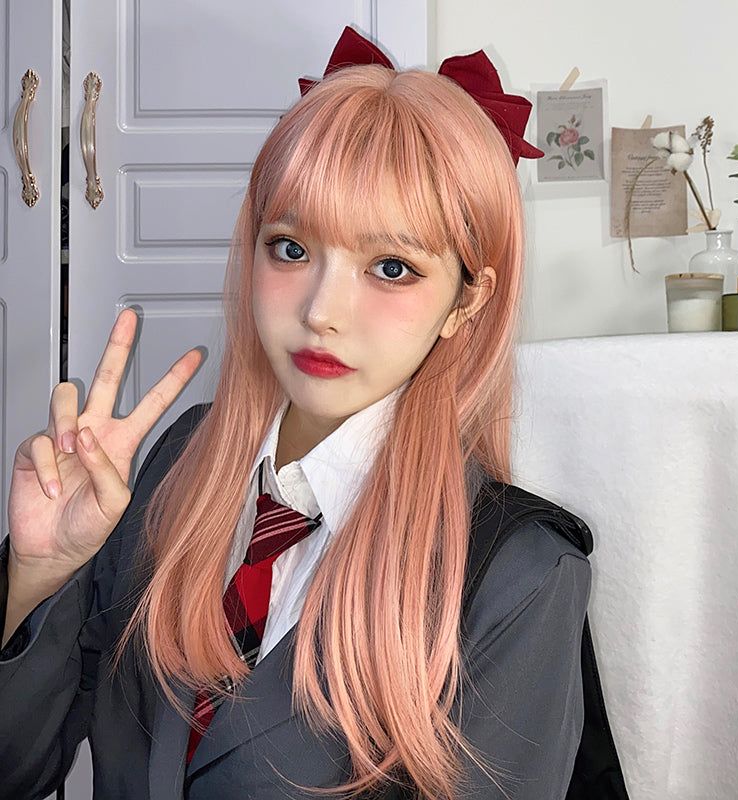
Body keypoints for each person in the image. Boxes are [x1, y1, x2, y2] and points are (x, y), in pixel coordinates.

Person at [0, 27, 598, 800]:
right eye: (290, 249)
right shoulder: (176, 461)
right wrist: (39, 575)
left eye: (391, 267)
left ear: (467, 300)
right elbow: (17, 769)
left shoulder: (520, 576)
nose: (321, 311)